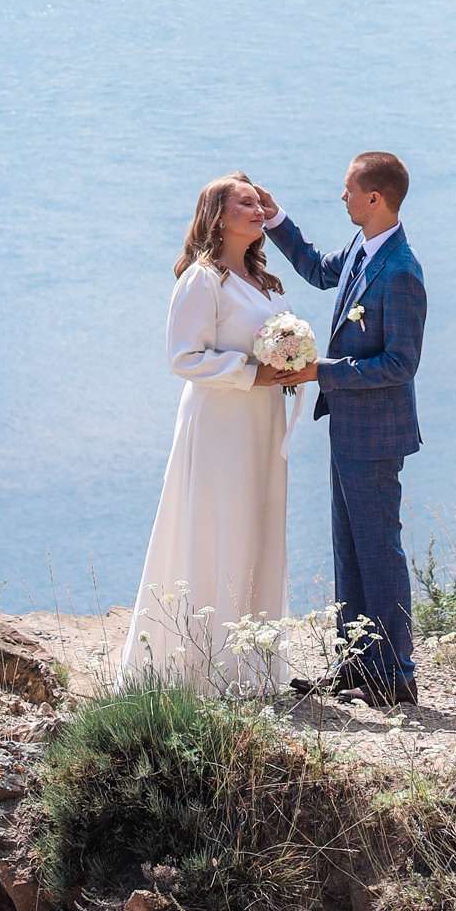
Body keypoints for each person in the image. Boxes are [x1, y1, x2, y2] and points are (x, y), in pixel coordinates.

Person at [120, 174, 317, 691]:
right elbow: (183, 356)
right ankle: (207, 672)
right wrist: (254, 372)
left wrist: (289, 364)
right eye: (246, 204)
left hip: (263, 422)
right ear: (218, 216)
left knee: (258, 525)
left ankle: (254, 665)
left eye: (260, 203)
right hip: (221, 425)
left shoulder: (264, 283)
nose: (259, 211)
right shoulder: (202, 280)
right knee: (220, 526)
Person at [254, 151, 426, 707]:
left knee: (379, 551)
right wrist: (276, 220)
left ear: (375, 198)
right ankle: (355, 664)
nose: (343, 197)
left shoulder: (400, 272)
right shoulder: (361, 247)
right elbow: (315, 268)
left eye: (348, 189)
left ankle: (396, 674)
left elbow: (401, 364)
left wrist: (318, 371)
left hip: (377, 437)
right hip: (350, 429)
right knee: (349, 548)